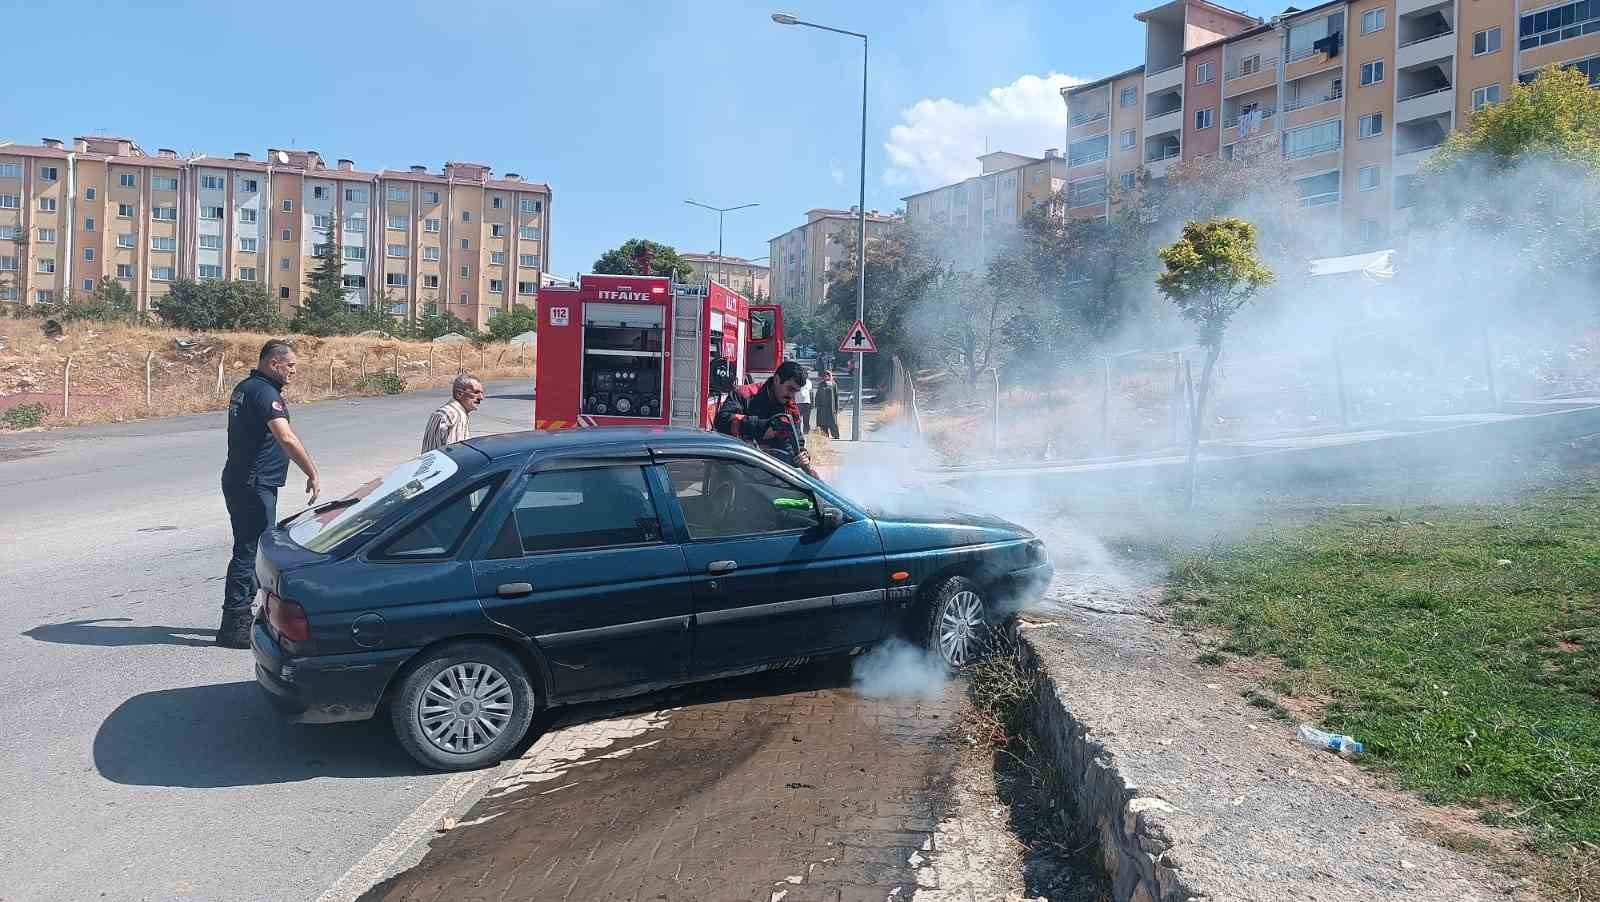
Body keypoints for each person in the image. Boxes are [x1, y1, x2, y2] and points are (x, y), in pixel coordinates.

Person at [218, 340, 321, 648]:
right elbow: (286, 438)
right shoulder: (264, 393)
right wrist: (312, 472)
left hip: (244, 479)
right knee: (249, 551)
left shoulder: (247, 387)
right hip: (254, 483)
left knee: (248, 548)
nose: (294, 371)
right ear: (274, 363)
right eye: (290, 365)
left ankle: (242, 614)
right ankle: (234, 623)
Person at [713, 359, 816, 476]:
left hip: (773, 475)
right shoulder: (745, 394)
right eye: (790, 389)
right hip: (738, 471)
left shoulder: (790, 408)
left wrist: (802, 455)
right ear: (777, 380)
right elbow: (722, 420)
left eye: (796, 391)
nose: (792, 395)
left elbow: (797, 441)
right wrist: (763, 428)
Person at [422, 373, 484, 453]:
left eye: (481, 393)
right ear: (459, 394)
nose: (481, 397)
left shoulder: (443, 412)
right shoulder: (456, 416)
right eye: (476, 392)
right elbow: (458, 454)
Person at [813, 370, 841, 440]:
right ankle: (824, 436)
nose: (826, 377)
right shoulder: (821, 384)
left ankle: (836, 435)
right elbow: (817, 395)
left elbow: (836, 396)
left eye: (827, 375)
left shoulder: (833, 384)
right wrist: (816, 404)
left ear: (830, 376)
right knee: (822, 423)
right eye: (825, 375)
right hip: (822, 407)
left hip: (831, 407)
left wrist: (837, 408)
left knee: (833, 422)